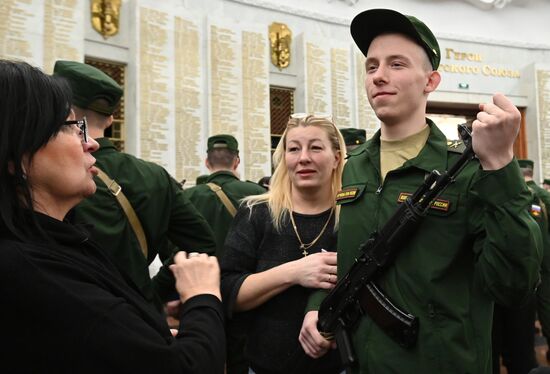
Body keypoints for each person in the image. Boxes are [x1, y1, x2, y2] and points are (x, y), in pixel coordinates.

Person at [299, 9, 542, 373]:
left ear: (430, 81)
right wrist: (318, 304)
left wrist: (502, 166)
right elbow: (348, 255)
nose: (379, 75)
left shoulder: (470, 169)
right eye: (371, 66)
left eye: (397, 64)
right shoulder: (354, 165)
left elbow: (513, 286)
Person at [0, 59, 225, 373]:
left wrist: (145, 337)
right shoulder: (33, 272)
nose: (91, 142)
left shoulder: (58, 240)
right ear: (16, 155)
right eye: (70, 126)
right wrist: (202, 295)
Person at [53, 60, 216, 310]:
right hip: (142, 316)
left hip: (73, 315)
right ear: (110, 120)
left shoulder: (55, 174)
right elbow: (201, 243)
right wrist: (152, 291)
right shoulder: (155, 176)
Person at [220, 115, 345, 374]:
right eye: (294, 148)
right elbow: (228, 291)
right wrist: (295, 272)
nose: (304, 158)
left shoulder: (352, 217)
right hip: (264, 366)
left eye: (316, 147)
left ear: (336, 157)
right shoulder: (257, 213)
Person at [182, 134, 266, 374]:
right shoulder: (258, 194)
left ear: (207, 163)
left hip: (199, 295)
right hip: (246, 294)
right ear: (236, 161)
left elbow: (173, 250)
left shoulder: (189, 198)